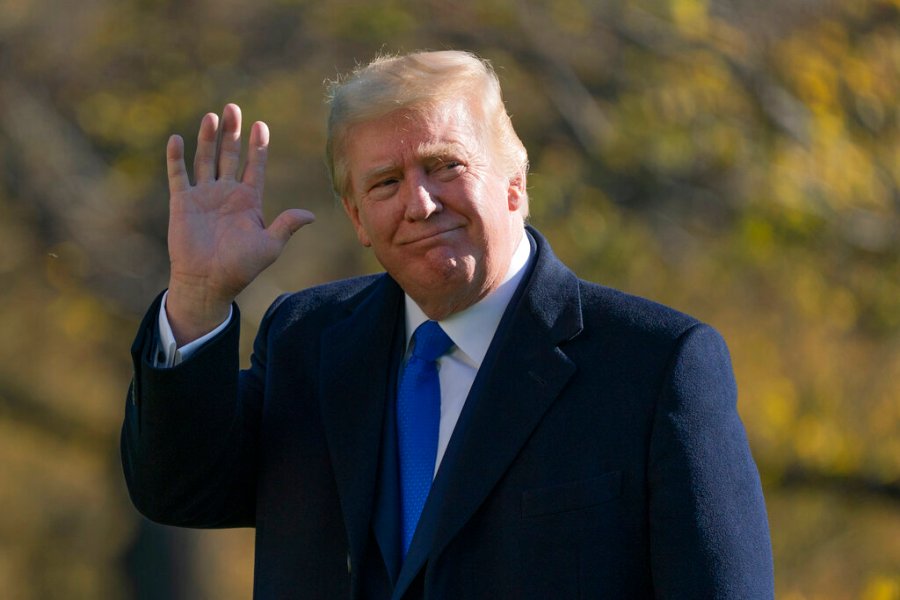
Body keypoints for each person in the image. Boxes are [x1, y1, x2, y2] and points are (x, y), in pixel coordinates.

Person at [121, 50, 774, 599]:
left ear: (515, 182)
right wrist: (199, 295)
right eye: (384, 184)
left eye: (444, 166)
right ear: (357, 219)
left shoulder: (656, 366)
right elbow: (180, 492)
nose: (420, 203)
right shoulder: (308, 344)